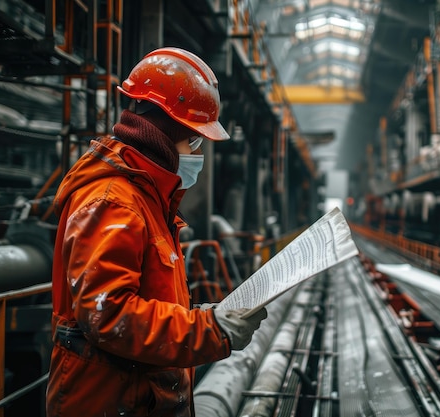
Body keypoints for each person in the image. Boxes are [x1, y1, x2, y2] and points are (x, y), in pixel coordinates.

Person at [46, 47, 268, 417]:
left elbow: (150, 299)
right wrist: (208, 330)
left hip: (139, 398)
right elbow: (109, 316)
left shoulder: (148, 199)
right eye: (193, 140)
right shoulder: (114, 202)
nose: (197, 152)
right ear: (164, 134)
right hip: (112, 402)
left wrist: (202, 316)